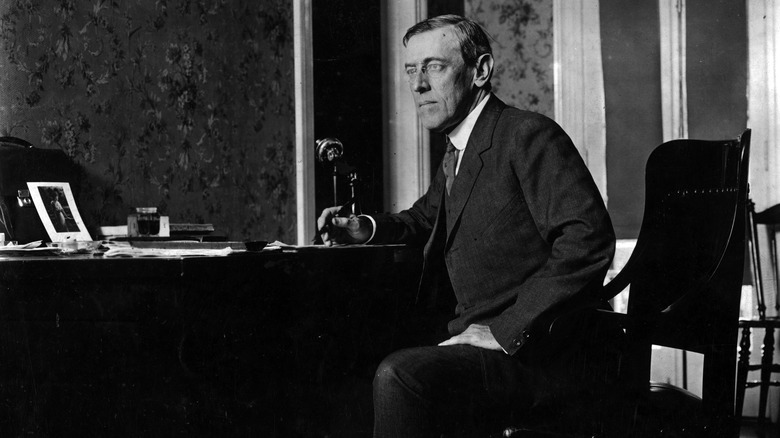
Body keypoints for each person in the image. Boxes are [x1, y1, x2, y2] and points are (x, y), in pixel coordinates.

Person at [317, 14, 615, 437]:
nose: (418, 85)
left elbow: (590, 240)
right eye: (410, 70)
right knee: (348, 363)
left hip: (540, 357)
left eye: (434, 67)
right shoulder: (461, 148)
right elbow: (424, 217)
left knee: (401, 375)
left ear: (480, 71)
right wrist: (363, 228)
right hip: (485, 343)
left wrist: (504, 330)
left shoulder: (526, 134)